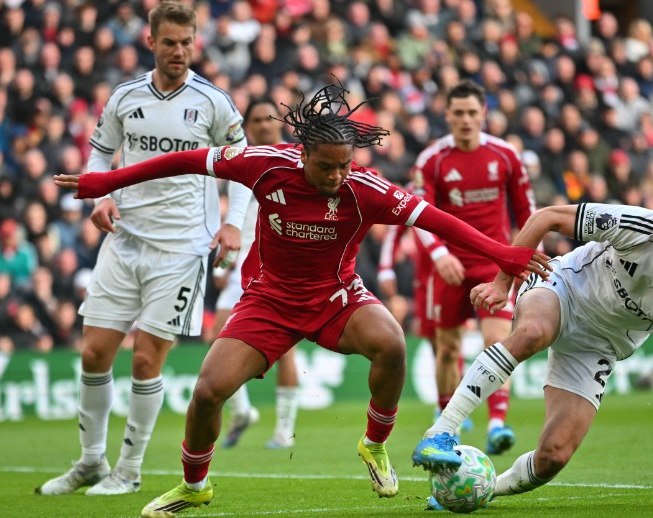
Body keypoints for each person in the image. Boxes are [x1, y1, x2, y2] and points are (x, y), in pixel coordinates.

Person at [54, 81, 550, 516]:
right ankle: (194, 485)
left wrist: (504, 254)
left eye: (344, 166)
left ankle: (375, 446)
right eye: (326, 167)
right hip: (269, 302)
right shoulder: (264, 165)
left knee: (393, 345)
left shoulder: (365, 187)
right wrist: (107, 181)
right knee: (207, 392)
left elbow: (437, 220)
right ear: (303, 152)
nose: (337, 176)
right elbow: (184, 160)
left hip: (338, 298)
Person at [37, 1, 252, 497]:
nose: (179, 51)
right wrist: (100, 192)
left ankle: (129, 471)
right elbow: (99, 152)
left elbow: (242, 169)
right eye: (169, 42)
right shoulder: (124, 97)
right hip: (124, 239)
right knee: (93, 352)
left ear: (196, 42)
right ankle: (91, 461)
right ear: (150, 42)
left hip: (181, 248)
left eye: (186, 42)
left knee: (144, 360)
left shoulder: (215, 103)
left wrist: (233, 225)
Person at [412, 203, 653, 507]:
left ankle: (481, 489)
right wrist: (502, 283)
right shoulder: (641, 228)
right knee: (532, 333)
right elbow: (545, 217)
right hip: (564, 287)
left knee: (553, 457)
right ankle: (441, 431)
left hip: (598, 346)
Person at [413, 79, 536, 455]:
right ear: (446, 115)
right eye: (458, 113)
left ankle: (497, 423)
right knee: (447, 349)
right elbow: (419, 215)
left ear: (483, 114)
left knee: (496, 342)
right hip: (448, 266)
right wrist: (439, 256)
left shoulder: (505, 155)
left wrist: (523, 258)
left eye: (472, 113)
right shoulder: (432, 160)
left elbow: (529, 213)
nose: (466, 120)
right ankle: (448, 429)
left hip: (492, 264)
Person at [212, 98, 301, 450]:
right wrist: (223, 264)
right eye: (257, 121)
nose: (264, 125)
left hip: (279, 267)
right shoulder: (240, 166)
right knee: (217, 334)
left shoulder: (295, 161)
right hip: (243, 265)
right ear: (247, 127)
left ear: (280, 122)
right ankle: (243, 410)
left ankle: (284, 429)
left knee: (285, 350)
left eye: (269, 119)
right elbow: (236, 223)